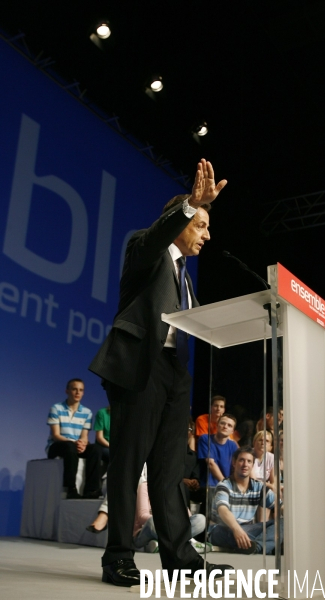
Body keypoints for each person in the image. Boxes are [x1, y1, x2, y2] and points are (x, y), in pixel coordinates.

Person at [89, 159, 232, 586]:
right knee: (128, 465)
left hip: (174, 377)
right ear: (181, 221)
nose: (206, 235)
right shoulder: (144, 250)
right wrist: (191, 203)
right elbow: (154, 239)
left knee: (169, 472)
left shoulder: (186, 278)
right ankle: (118, 556)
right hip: (140, 371)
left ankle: (181, 559)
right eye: (201, 225)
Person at [208, 447, 278, 554]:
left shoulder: (258, 487)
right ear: (234, 463)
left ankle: (256, 547)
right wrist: (237, 529)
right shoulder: (224, 485)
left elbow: (279, 505)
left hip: (247, 529)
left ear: (252, 465)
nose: (245, 464)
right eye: (241, 460)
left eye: (249, 461)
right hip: (223, 529)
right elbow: (223, 510)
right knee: (225, 531)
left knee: (283, 523)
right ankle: (263, 544)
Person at [46, 378, 102, 499]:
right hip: (58, 445)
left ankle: (91, 490)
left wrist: (82, 443)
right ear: (67, 391)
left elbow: (84, 436)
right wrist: (74, 443)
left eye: (81, 390)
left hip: (75, 445)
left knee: (96, 449)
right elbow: (56, 435)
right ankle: (70, 488)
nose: (78, 393)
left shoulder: (87, 412)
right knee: (69, 446)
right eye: (74, 389)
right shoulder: (56, 408)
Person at [197, 414, 238, 487]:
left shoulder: (233, 445)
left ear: (232, 431)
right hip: (208, 487)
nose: (225, 426)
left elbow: (235, 468)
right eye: (222, 423)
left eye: (229, 425)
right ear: (217, 425)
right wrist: (226, 485)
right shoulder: (205, 439)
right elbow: (211, 464)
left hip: (226, 487)